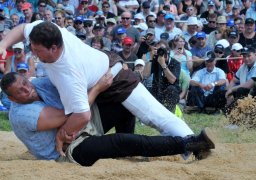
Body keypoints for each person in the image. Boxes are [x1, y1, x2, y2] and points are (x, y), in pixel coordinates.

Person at [0, 21, 194, 156]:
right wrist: (3, 44)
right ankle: (184, 144)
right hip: (98, 74)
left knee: (155, 116)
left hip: (112, 77)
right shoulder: (47, 32)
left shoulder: (68, 73)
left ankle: (193, 144)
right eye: (32, 47)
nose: (32, 52)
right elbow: (24, 28)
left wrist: (61, 135)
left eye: (37, 49)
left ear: (53, 48)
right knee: (124, 132)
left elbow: (82, 115)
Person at [0, 72, 215, 166]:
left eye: (25, 84)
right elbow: (70, 113)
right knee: (119, 142)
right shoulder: (21, 114)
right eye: (20, 91)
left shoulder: (37, 84)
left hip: (81, 125)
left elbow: (75, 89)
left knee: (123, 100)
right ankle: (188, 143)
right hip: (70, 151)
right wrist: (97, 89)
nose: (28, 90)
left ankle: (129, 152)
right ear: (11, 98)